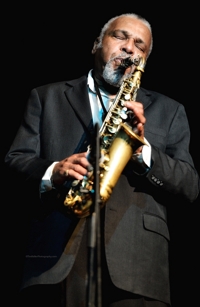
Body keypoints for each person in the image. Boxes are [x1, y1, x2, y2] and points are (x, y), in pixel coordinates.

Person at [4, 13, 200, 307]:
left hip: (137, 267)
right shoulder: (46, 97)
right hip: (54, 262)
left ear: (144, 61)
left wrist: (141, 151)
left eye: (140, 46)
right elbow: (14, 163)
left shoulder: (169, 110)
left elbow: (189, 186)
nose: (129, 48)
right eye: (120, 37)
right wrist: (53, 171)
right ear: (96, 44)